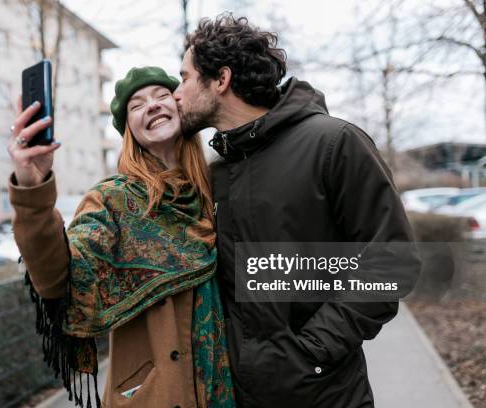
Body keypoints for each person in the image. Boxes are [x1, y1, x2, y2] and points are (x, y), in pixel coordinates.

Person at [172, 14, 421, 408]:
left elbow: (391, 261)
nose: (176, 93)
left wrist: (313, 350)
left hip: (325, 394)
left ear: (221, 79)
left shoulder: (334, 144)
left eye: (184, 78)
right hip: (236, 396)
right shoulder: (215, 173)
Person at [7, 67, 235, 408]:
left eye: (162, 96)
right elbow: (59, 279)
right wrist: (32, 190)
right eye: (138, 105)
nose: (153, 106)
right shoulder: (111, 200)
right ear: (129, 129)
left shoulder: (217, 188)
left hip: (225, 387)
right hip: (154, 395)